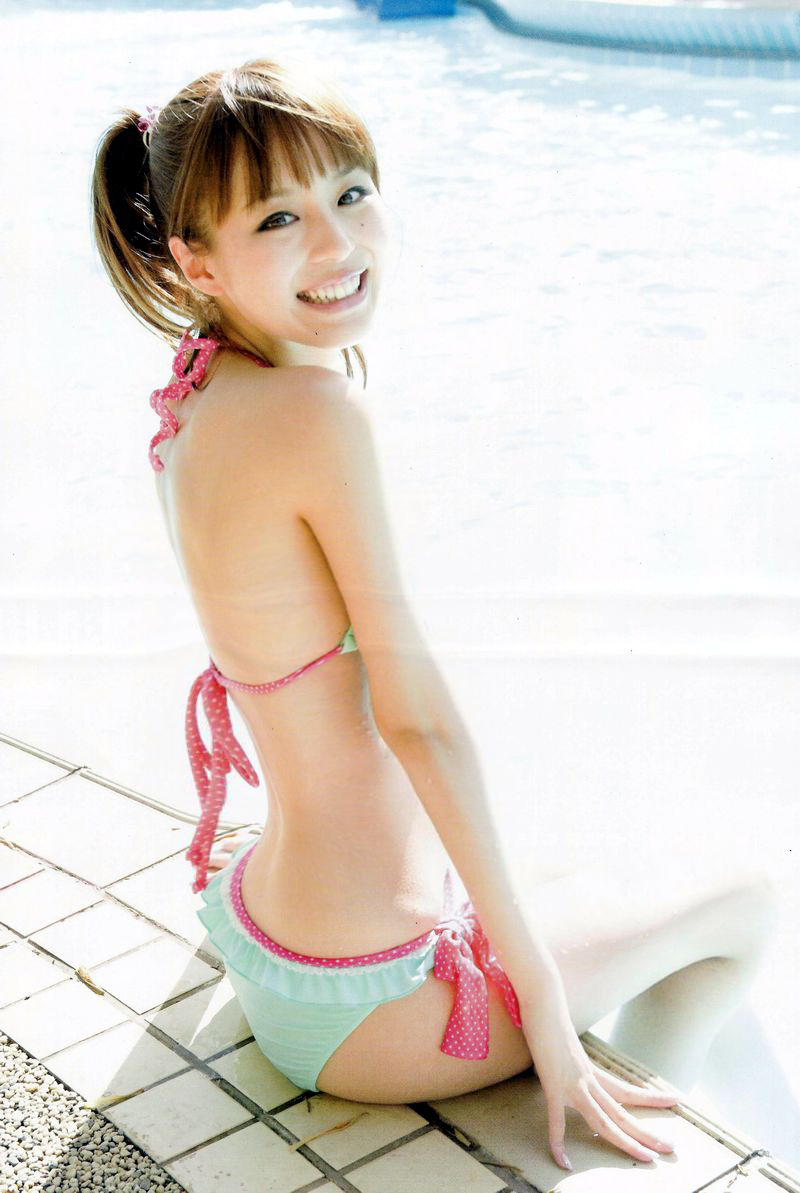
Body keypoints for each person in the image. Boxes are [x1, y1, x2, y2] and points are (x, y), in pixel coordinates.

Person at [91, 58, 777, 1173]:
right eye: (279, 217)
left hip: (275, 938)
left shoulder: (198, 388)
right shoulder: (316, 411)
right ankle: (646, 1144)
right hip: (383, 1005)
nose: (337, 243)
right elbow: (415, 722)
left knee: (603, 852)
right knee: (746, 895)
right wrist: (543, 1010)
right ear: (196, 259)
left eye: (351, 192)